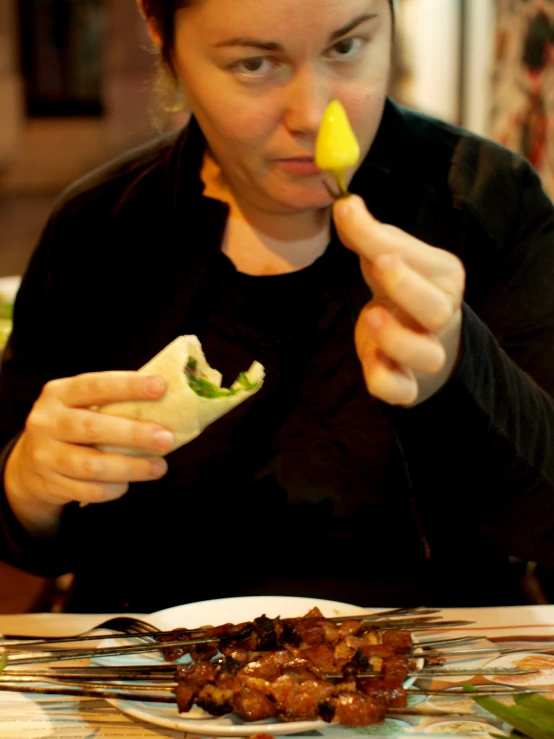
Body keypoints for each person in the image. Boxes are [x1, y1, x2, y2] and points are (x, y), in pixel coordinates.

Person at [1, 0, 553, 614]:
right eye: (255, 63)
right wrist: (28, 483)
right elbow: (29, 541)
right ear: (163, 36)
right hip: (145, 679)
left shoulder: (484, 202)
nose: (314, 116)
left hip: (436, 680)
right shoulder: (99, 228)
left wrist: (458, 370)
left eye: (346, 47)